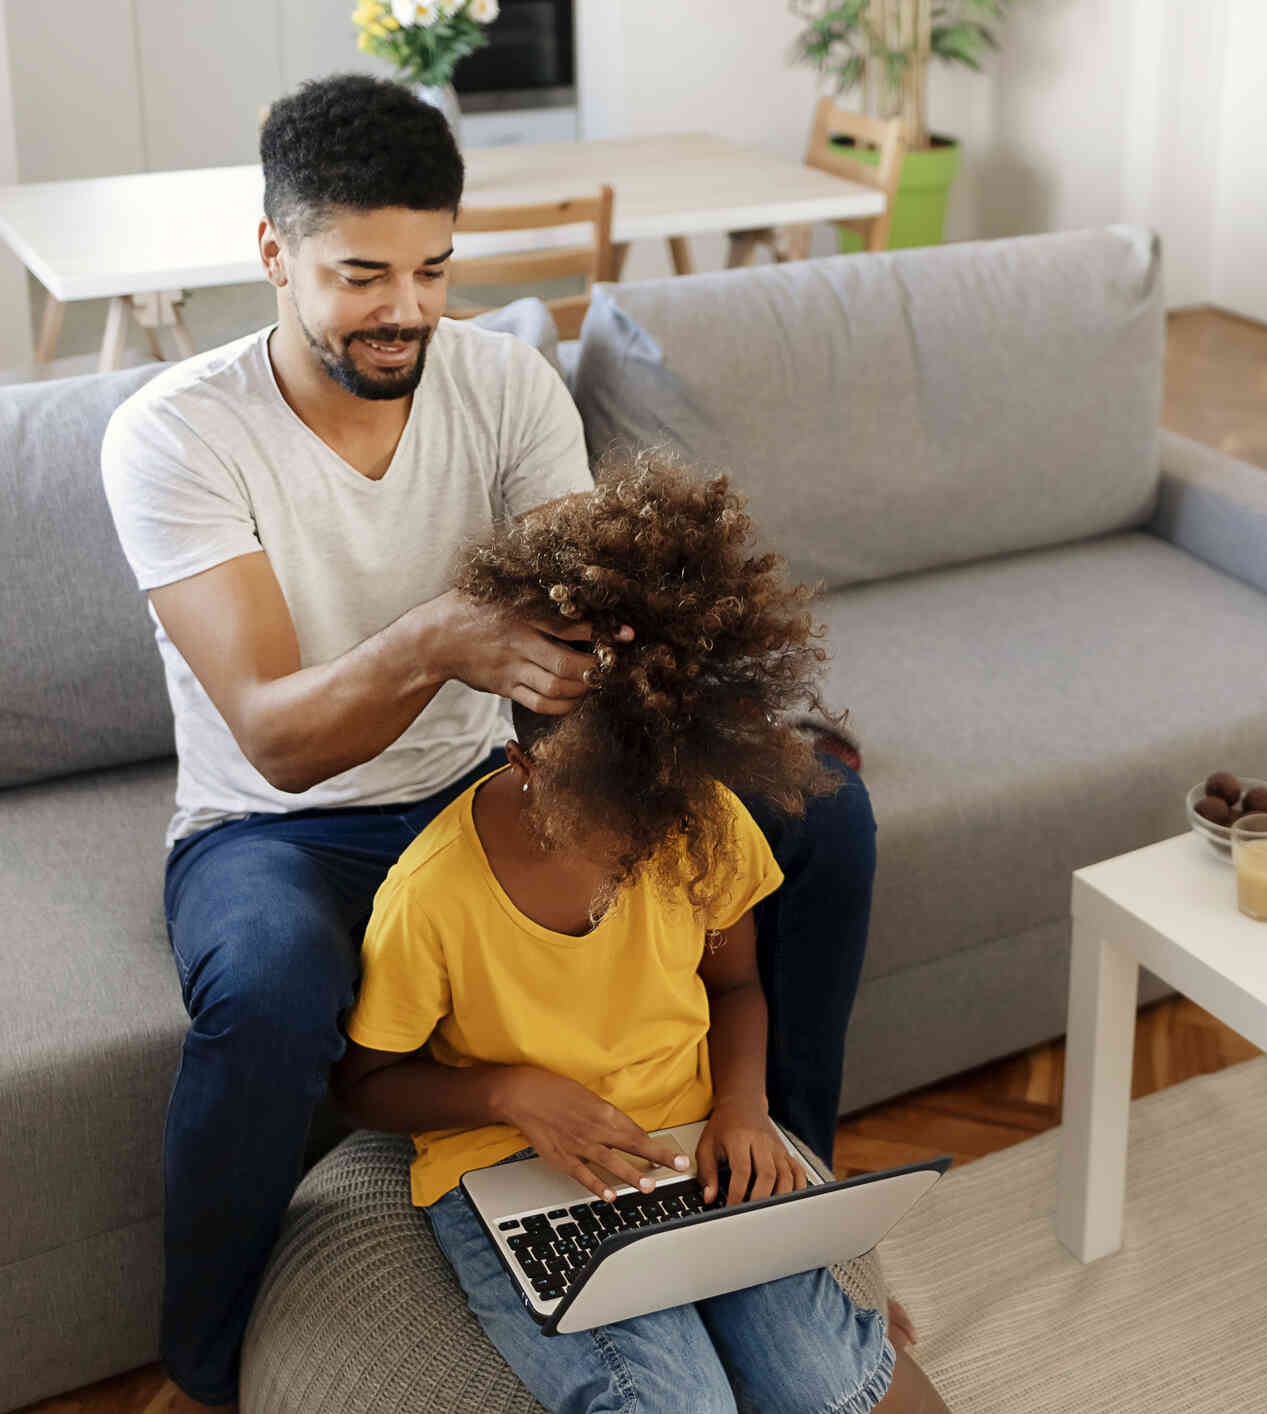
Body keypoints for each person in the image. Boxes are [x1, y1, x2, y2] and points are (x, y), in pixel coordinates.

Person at [100, 74, 879, 1412]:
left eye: (434, 269)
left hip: (490, 778)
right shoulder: (177, 432)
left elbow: (585, 623)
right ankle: (210, 1355)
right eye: (361, 274)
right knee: (274, 978)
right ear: (274, 252)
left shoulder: (505, 382)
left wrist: (696, 717)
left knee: (822, 818)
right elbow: (278, 738)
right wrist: (435, 638)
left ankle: (775, 1219)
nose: (405, 307)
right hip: (280, 826)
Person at [331, 455, 946, 1413]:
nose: (639, 855)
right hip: (511, 1170)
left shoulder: (690, 817)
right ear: (521, 769)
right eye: (611, 829)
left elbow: (735, 987)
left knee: (834, 1387)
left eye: (657, 822)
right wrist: (508, 1090)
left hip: (694, 1142)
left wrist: (744, 1111)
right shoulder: (433, 896)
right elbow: (363, 1086)